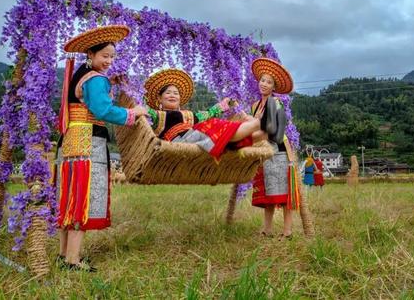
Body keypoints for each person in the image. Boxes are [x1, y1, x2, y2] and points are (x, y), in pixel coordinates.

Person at [55, 25, 148, 272]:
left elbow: (91, 101)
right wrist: (133, 112)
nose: (109, 61)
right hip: (87, 142)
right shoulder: (95, 79)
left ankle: (64, 255)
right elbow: (103, 110)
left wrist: (111, 84)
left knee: (70, 197)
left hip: (71, 140)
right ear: (91, 55)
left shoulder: (81, 75)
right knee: (82, 197)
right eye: (104, 56)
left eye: (112, 57)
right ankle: (73, 260)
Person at [143, 69, 272, 161]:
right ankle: (258, 123)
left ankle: (265, 131)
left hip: (197, 138)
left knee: (227, 140)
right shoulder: (156, 115)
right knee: (215, 125)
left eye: (176, 93)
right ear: (159, 98)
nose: (172, 95)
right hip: (178, 143)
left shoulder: (187, 114)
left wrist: (222, 105)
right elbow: (142, 115)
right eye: (168, 93)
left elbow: (207, 114)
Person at [250, 57, 300, 239]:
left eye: (269, 82)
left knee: (282, 192)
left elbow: (271, 130)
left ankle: (287, 231)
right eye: (262, 80)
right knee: (268, 193)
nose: (264, 84)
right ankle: (267, 229)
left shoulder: (275, 103)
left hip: (277, 151)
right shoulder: (255, 106)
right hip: (263, 152)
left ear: (273, 87)